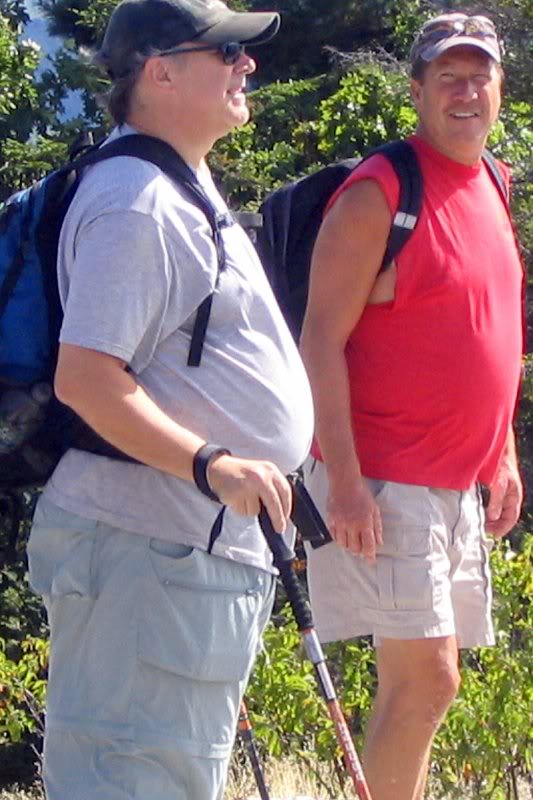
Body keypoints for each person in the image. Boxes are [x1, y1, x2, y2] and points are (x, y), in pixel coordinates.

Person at [26, 1, 314, 798]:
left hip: (170, 553)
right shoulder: (138, 201)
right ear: (159, 70)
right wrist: (212, 464)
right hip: (150, 552)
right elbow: (85, 378)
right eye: (223, 52)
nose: (243, 65)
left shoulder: (170, 186)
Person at [300, 13, 523, 800]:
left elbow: (488, 326)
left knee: (435, 684)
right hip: (385, 477)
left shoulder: (492, 180)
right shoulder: (380, 191)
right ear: (417, 91)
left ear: (500, 85)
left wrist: (501, 451)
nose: (466, 92)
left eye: (479, 76)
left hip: (454, 480)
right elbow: (319, 340)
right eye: (448, 78)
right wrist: (346, 484)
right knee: (422, 677)